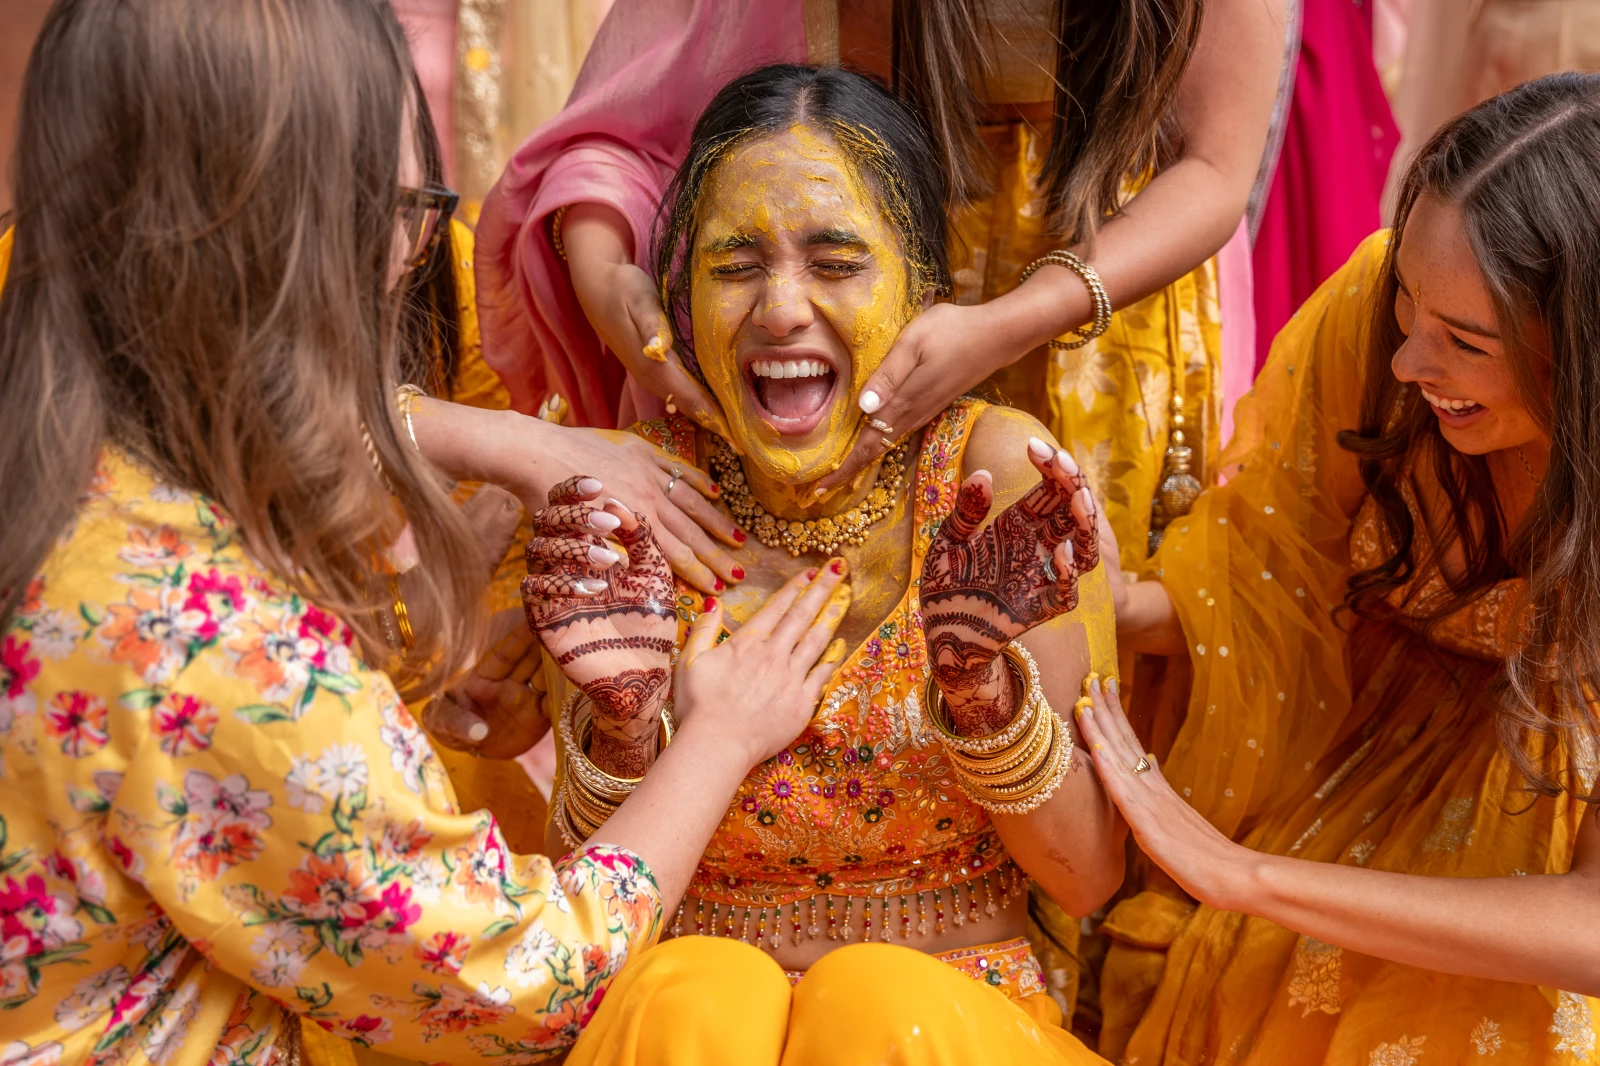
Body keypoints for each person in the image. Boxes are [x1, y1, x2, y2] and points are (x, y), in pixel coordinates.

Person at [0, 1, 846, 1062]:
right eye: (405, 208)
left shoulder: (66, 484)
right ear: (282, 239)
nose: (411, 254)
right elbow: (517, 979)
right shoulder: (213, 643)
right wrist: (718, 734)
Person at [519, 64, 1124, 1064]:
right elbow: (586, 899)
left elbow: (1089, 878)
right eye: (734, 265)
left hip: (941, 1028)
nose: (781, 308)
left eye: (836, 263)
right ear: (676, 299)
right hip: (688, 1029)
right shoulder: (640, 500)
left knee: (875, 1002)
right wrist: (625, 737)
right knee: (694, 996)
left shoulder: (994, 480)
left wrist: (981, 699)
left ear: (923, 293)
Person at [1084, 74, 1600, 1061]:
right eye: (1408, 300)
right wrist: (1109, 605)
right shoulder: (1374, 315)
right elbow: (1270, 570)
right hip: (1347, 768)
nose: (1407, 361)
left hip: (1532, 859)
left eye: (1462, 342)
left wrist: (1240, 875)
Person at [474, 0, 1285, 572]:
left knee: (1079, 651)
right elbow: (632, 127)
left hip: (1110, 296)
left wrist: (1009, 322)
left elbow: (1216, 166)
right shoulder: (799, 293)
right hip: (857, 283)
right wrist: (602, 269)